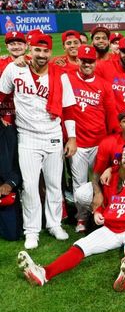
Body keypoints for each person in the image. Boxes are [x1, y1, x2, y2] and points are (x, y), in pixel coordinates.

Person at [17, 142, 125, 290]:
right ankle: (44, 273)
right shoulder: (112, 177)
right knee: (80, 246)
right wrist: (98, 212)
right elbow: (105, 203)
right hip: (110, 228)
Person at [0, 34, 77, 249]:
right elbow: (1, 94)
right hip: (27, 136)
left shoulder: (60, 75)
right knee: (30, 186)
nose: (41, 55)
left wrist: (71, 137)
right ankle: (31, 230)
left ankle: (54, 224)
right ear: (30, 50)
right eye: (37, 50)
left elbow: (69, 109)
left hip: (53, 135)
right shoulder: (14, 69)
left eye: (45, 51)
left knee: (54, 184)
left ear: (50, 52)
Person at [67, 45, 119, 232]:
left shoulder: (104, 85)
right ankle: (81, 218)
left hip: (100, 142)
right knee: (79, 183)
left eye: (90, 61)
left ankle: (102, 211)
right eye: (84, 61)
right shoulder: (68, 79)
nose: (87, 64)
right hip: (78, 143)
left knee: (102, 182)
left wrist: (113, 140)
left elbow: (111, 114)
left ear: (95, 62)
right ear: (78, 60)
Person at [0, 115, 20, 241]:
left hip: (4, 190)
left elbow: (18, 167)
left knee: (12, 233)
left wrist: (9, 183)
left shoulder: (10, 133)